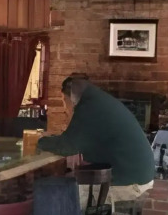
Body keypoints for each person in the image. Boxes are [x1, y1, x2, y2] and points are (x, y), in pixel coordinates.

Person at [37, 76, 155, 206]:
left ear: (71, 97)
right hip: (138, 175)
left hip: (129, 182)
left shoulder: (89, 108)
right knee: (68, 181)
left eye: (64, 101)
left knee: (57, 196)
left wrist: (38, 141)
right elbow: (75, 139)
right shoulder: (99, 101)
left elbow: (67, 147)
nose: (65, 108)